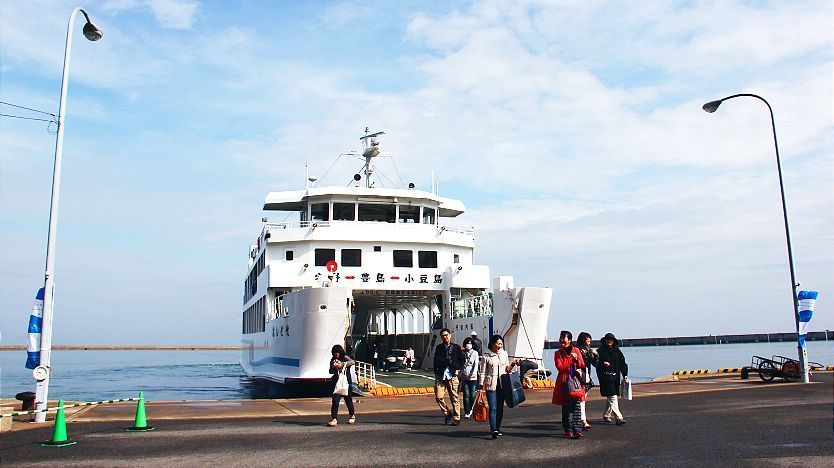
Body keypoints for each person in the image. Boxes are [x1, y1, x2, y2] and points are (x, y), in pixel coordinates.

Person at [478, 334, 520, 439]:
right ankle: (494, 429)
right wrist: (480, 386)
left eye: (501, 343)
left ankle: (498, 427)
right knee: (493, 407)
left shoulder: (504, 354)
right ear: (492, 344)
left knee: (500, 408)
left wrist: (513, 364)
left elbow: (507, 369)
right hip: (490, 385)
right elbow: (482, 372)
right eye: (498, 343)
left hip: (502, 385)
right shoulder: (486, 356)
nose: (500, 346)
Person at [552, 330, 585, 439]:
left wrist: (576, 359)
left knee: (576, 406)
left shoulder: (576, 350)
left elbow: (582, 364)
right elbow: (560, 367)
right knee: (566, 406)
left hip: (575, 380)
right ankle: (568, 428)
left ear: (569, 340)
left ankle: (577, 429)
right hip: (564, 381)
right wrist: (570, 359)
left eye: (563, 338)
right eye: (560, 338)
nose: (561, 340)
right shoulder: (558, 353)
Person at [433, 328, 464, 425]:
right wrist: (437, 370)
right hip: (441, 375)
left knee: (454, 397)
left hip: (452, 375)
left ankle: (457, 418)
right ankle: (447, 413)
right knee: (439, 397)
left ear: (450, 335)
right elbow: (436, 361)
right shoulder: (439, 348)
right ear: (441, 337)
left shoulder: (456, 347)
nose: (445, 337)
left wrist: (458, 369)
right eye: (443, 335)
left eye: (446, 335)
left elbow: (462, 359)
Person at [596, 332, 628, 425]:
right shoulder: (600, 351)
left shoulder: (617, 351)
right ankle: (619, 417)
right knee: (613, 396)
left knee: (612, 396)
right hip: (605, 377)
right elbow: (595, 363)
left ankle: (606, 414)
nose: (609, 341)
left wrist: (625, 375)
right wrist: (603, 363)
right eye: (608, 339)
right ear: (604, 340)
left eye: (611, 340)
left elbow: (623, 364)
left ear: (614, 341)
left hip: (615, 377)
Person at [327, 344, 356, 427]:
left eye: (338, 352)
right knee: (335, 401)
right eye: (335, 352)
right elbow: (330, 371)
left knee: (348, 400)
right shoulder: (333, 360)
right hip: (337, 382)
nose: (336, 354)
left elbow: (352, 362)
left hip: (346, 382)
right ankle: (334, 419)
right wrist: (333, 367)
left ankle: (352, 415)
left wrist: (342, 364)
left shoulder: (345, 358)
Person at [576, 332, 598, 430]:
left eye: (590, 341)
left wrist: (595, 355)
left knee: (583, 399)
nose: (589, 343)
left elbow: (595, 364)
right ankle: (583, 420)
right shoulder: (577, 351)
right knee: (580, 399)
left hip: (586, 377)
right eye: (587, 341)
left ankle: (581, 419)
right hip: (578, 377)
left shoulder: (588, 351)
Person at [459, 337, 479, 418]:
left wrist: (473, 373)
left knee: (473, 394)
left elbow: (476, 364)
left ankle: (471, 408)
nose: (468, 345)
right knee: (466, 395)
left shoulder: (475, 353)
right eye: (467, 343)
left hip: (473, 377)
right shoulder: (462, 353)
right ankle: (467, 411)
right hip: (465, 377)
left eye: (470, 343)